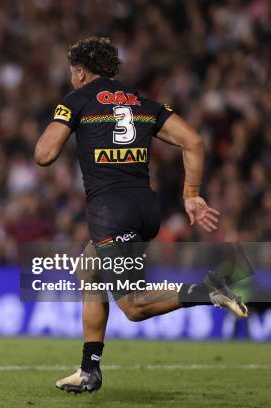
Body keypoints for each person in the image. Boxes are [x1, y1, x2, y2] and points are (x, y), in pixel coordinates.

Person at [34, 37, 247, 394]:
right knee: (89, 269)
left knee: (133, 306)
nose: (71, 77)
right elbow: (193, 140)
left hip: (110, 211)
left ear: (81, 72)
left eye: (72, 71)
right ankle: (89, 369)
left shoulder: (78, 99)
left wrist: (64, 116)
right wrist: (191, 195)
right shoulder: (143, 103)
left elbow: (44, 154)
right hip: (146, 208)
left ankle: (205, 290)